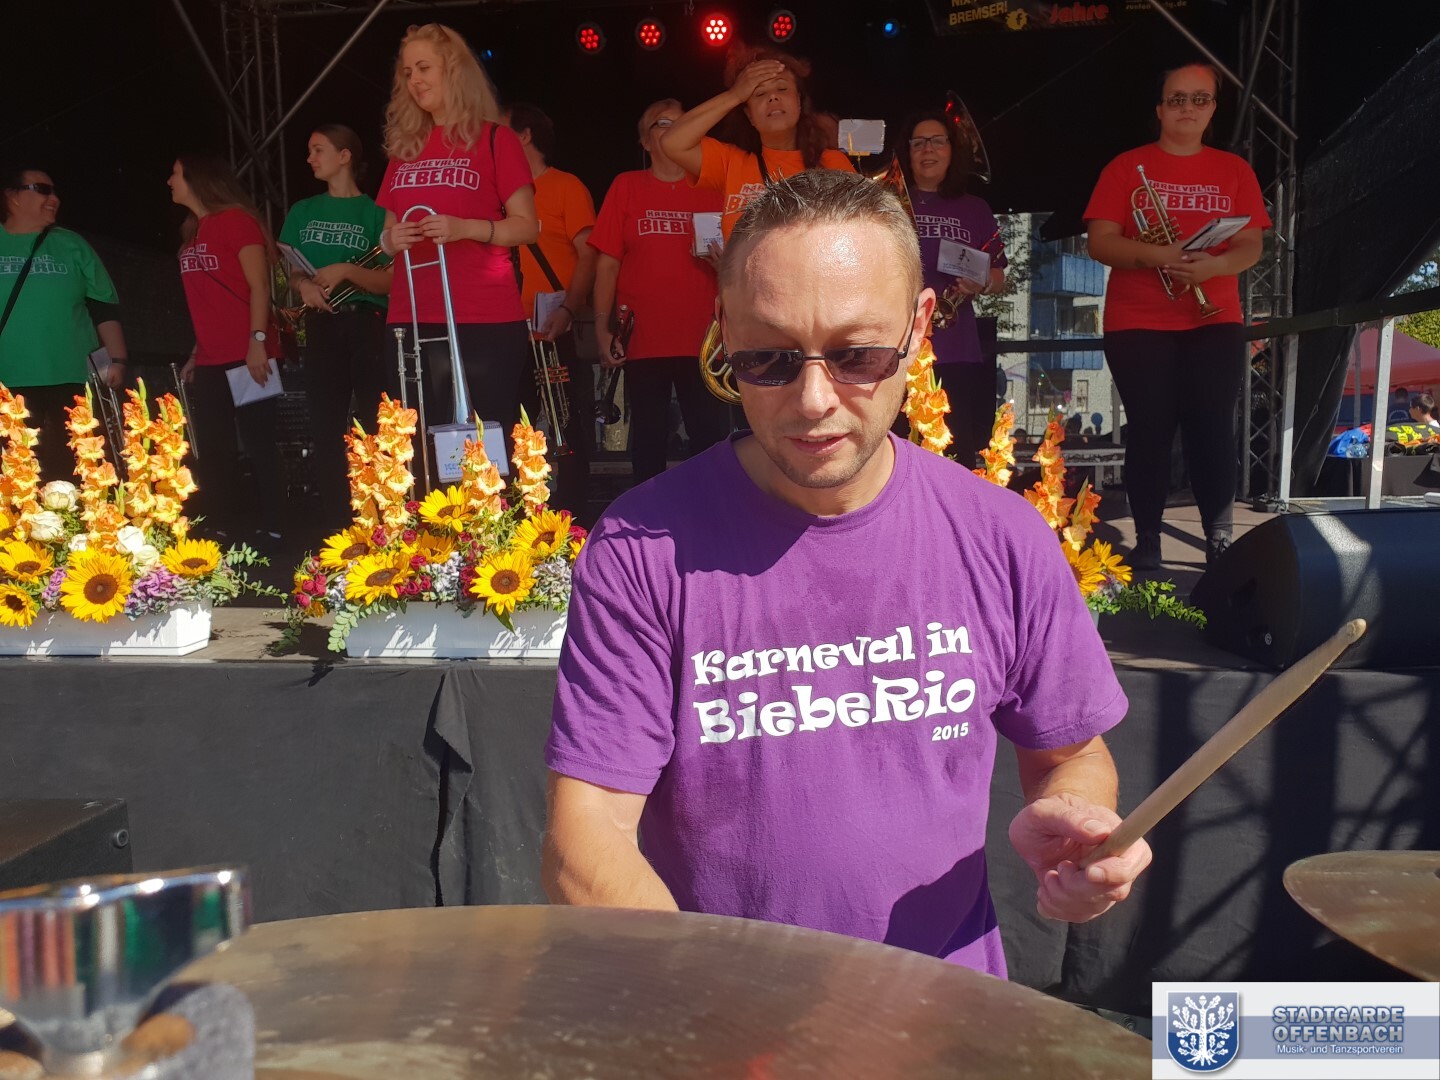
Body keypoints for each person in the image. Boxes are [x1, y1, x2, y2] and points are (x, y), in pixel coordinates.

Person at [542, 170, 1151, 975]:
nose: (813, 400)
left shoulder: (1001, 535)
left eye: (858, 355)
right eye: (767, 358)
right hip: (723, 1016)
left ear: (920, 326)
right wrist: (716, 1004)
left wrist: (1081, 818)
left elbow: (1072, 750)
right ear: (723, 331)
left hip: (945, 1012)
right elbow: (585, 829)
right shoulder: (644, 548)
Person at [1085, 62, 1270, 569]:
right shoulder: (1126, 167)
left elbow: (1251, 245)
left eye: (1199, 99)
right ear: (1160, 109)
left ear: (1213, 109)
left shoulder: (1236, 170)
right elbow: (1100, 241)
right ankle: (1147, 537)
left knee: (1212, 426)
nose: (1188, 107)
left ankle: (1219, 536)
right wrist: (1158, 255)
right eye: (1177, 99)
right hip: (1138, 319)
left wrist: (1214, 266)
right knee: (1150, 428)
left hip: (1214, 317)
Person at [376, 23, 538, 463]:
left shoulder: (495, 139)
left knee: (483, 451)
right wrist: (392, 239)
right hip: (410, 315)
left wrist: (466, 228)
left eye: (424, 68)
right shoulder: (404, 150)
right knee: (416, 452)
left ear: (454, 70)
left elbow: (527, 227)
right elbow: (385, 237)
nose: (415, 80)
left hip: (483, 316)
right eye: (407, 72)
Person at [589, 99, 729, 483]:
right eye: (663, 123)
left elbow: (745, 264)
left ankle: (714, 513)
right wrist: (601, 327)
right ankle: (646, 516)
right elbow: (607, 264)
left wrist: (726, 265)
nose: (675, 129)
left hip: (705, 339)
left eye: (684, 123)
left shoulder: (715, 187)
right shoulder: (627, 186)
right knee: (648, 442)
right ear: (645, 141)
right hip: (643, 338)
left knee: (710, 441)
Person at [279, 125, 394, 530]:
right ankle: (336, 526)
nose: (310, 158)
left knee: (377, 423)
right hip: (321, 324)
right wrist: (304, 286)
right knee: (325, 427)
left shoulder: (376, 211)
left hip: (367, 323)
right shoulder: (302, 211)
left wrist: (347, 270)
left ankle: (383, 519)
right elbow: (292, 270)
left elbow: (391, 281)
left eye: (318, 150)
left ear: (345, 156)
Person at [170, 154, 284, 545]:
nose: (170, 181)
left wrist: (257, 342)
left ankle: (275, 526)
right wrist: (195, 353)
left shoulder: (236, 221)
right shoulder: (192, 230)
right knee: (214, 446)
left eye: (176, 174)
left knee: (259, 442)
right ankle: (220, 525)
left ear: (198, 179)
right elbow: (208, 303)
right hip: (211, 356)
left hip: (249, 353)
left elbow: (259, 286)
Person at [1, 167, 129, 481]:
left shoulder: (72, 244)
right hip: (7, 380)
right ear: (13, 197)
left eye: (55, 191)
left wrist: (118, 359)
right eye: (42, 190)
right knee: (14, 473)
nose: (54, 198)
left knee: (77, 468)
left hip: (73, 377)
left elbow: (102, 306)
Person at [898, 110, 1007, 466]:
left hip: (957, 346)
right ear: (908, 152)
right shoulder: (889, 202)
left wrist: (981, 283)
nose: (927, 149)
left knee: (956, 456)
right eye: (918, 142)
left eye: (937, 141)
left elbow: (999, 276)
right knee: (898, 451)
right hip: (897, 346)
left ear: (951, 150)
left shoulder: (975, 209)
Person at [661, 46, 856, 243]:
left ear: (798, 101)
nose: (773, 97)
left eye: (782, 89)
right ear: (749, 115)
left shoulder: (832, 163)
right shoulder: (732, 162)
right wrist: (735, 95)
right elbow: (672, 142)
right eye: (759, 93)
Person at [506, 102, 596, 513]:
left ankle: (572, 513)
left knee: (566, 423)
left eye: (502, 130)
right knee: (510, 422)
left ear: (525, 135)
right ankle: (515, 511)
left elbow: (589, 254)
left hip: (554, 327)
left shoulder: (565, 186)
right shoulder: (500, 194)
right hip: (508, 329)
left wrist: (570, 309)